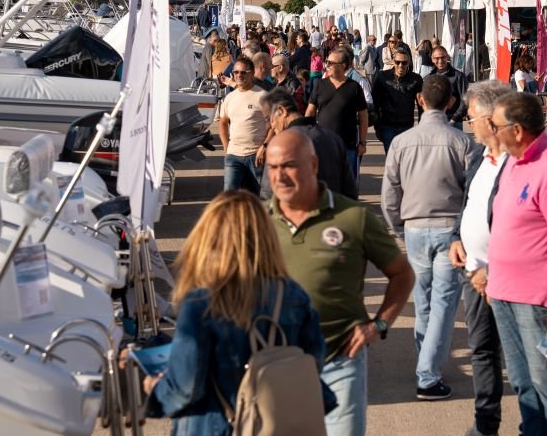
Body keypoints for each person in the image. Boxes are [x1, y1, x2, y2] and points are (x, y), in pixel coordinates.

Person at [266, 131, 415, 436]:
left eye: (289, 165)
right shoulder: (257, 221)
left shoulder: (353, 217)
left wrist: (379, 325)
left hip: (339, 362)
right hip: (275, 365)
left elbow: (402, 274)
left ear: (313, 164)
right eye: (273, 167)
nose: (279, 176)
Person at [144, 191, 330, 433]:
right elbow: (314, 360)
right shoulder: (293, 296)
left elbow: (185, 387)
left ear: (208, 238)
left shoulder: (201, 303)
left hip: (213, 425)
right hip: (275, 424)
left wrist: (154, 389)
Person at [487, 92, 547, 435]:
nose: (492, 132)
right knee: (522, 382)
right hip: (504, 293)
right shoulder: (514, 160)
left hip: (538, 300)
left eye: (496, 126)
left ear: (516, 130)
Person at [381, 75, 475, 402]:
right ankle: (428, 373)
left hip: (415, 227)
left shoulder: (401, 142)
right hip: (450, 228)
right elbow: (472, 193)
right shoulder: (462, 142)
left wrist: (399, 227)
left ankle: (427, 363)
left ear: (419, 100)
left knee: (424, 301)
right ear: (451, 102)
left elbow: (389, 195)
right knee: (443, 304)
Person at [448, 80, 512, 436]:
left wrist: (495, 270)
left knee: (519, 356)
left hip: (507, 279)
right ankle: (486, 423)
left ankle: (534, 424)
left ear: (491, 119)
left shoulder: (518, 162)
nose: (468, 123)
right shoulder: (479, 157)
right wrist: (457, 237)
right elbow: (469, 203)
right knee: (481, 350)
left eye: (471, 117)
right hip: (473, 273)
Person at [260, 87, 357, 199]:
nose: (271, 126)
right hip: (333, 207)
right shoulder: (333, 138)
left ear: (281, 111)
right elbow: (350, 191)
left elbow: (267, 194)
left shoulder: (280, 145)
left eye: (269, 119)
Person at [306, 47, 369, 181]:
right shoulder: (320, 85)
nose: (326, 66)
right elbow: (310, 112)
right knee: (323, 182)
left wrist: (363, 143)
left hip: (347, 145)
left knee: (347, 182)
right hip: (322, 144)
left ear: (343, 66)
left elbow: (363, 116)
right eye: (326, 62)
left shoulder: (354, 87)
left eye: (330, 63)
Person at [218, 56, 268, 194]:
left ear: (252, 73)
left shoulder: (262, 96)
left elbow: (273, 124)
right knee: (229, 195)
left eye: (243, 72)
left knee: (262, 195)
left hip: (256, 156)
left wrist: (264, 146)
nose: (239, 75)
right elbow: (223, 122)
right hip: (233, 155)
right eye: (236, 72)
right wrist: (226, 147)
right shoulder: (230, 97)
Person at [371, 47, 423, 152]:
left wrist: (421, 126)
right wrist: (377, 126)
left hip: (406, 126)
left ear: (408, 63)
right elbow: (375, 103)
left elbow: (422, 105)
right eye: (398, 62)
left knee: (406, 158)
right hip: (387, 126)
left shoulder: (416, 79)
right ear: (393, 62)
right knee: (391, 157)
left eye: (404, 63)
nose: (400, 65)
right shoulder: (382, 77)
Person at [429, 45, 469, 129]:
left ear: (447, 57)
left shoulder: (459, 76)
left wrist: (453, 119)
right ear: (432, 59)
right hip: (436, 122)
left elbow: (465, 100)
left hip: (456, 123)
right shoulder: (429, 78)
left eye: (443, 57)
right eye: (437, 58)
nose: (440, 61)